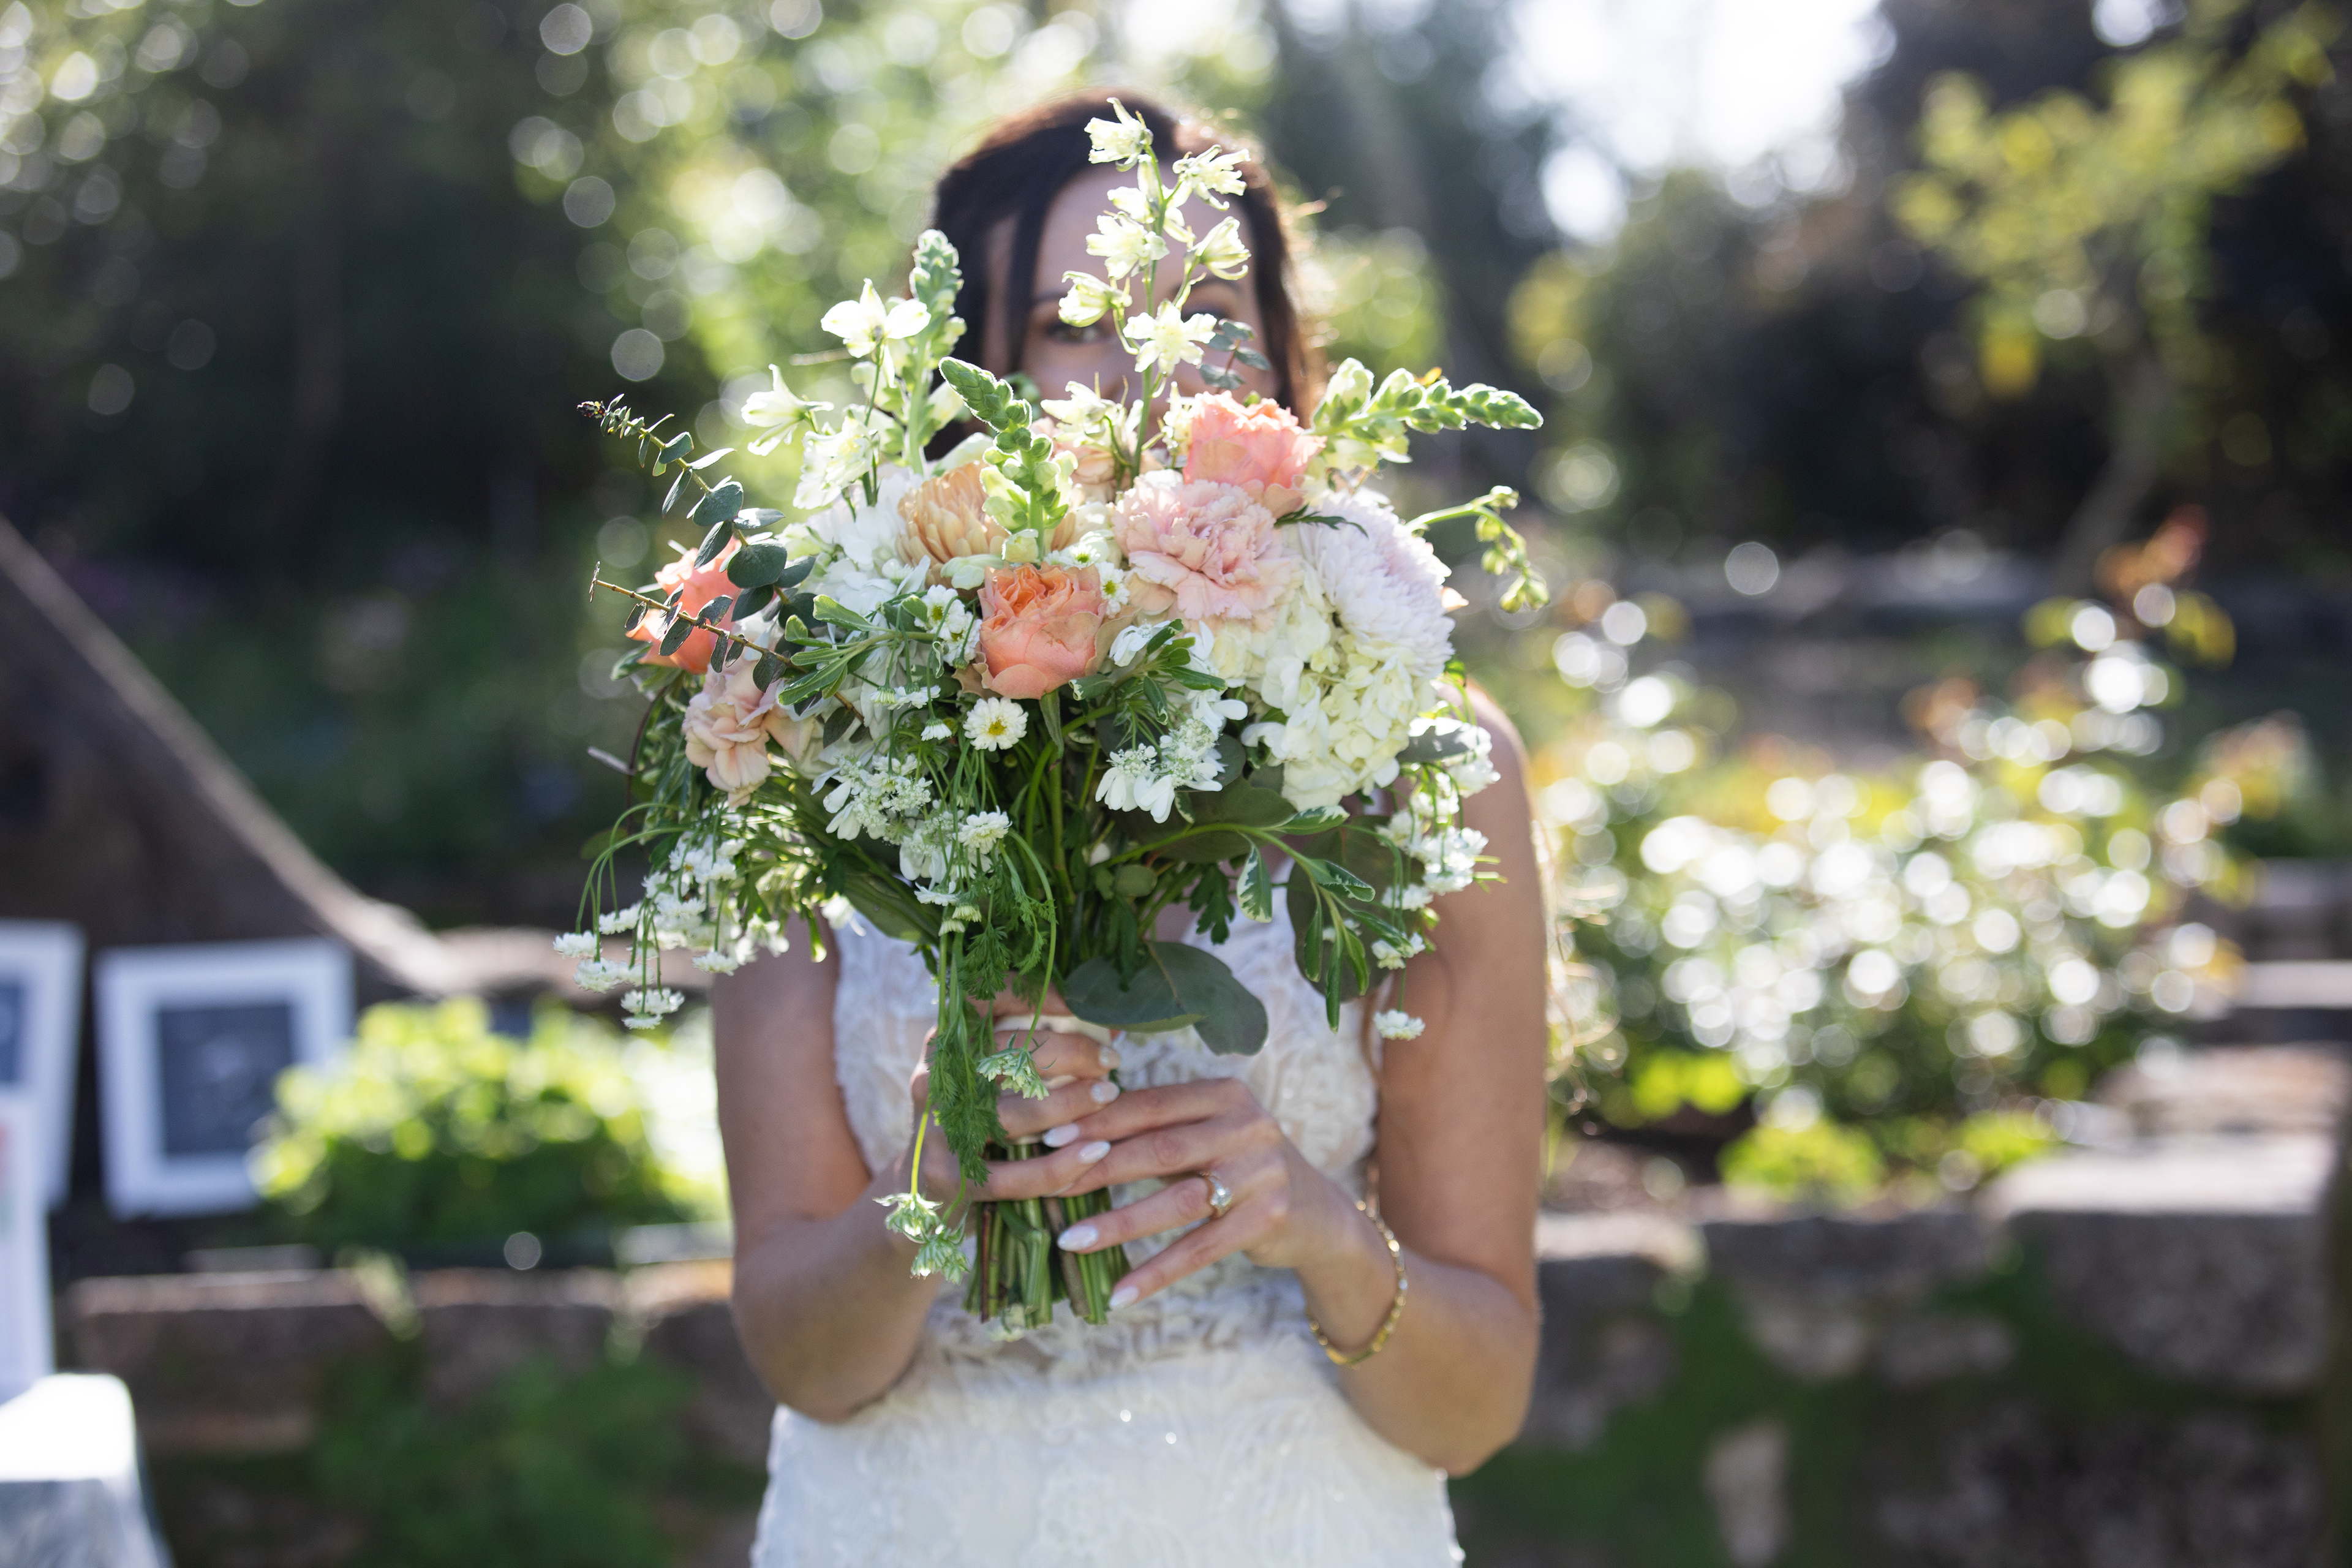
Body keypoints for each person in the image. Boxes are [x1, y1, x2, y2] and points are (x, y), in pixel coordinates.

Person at [715, 89, 1548, 1567]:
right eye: (1074, 320)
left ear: (1286, 368)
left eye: (1212, 316)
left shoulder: (1424, 767)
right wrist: (936, 1190)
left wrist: (1322, 1231)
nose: (1155, 379)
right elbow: (802, 1358)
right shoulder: (805, 733)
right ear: (965, 370)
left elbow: (1476, 1405)